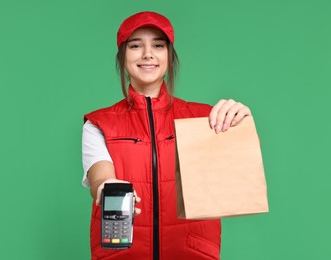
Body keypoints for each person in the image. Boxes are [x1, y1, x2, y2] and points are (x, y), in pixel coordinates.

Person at [82, 11, 251, 260]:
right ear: (122, 56)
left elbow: (239, 177)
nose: (147, 54)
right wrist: (106, 186)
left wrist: (241, 122)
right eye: (136, 45)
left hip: (192, 253)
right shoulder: (99, 123)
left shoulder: (206, 119)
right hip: (123, 254)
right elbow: (100, 176)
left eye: (158, 45)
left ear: (169, 57)